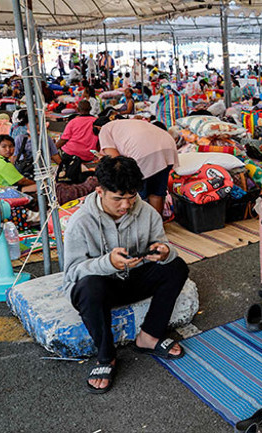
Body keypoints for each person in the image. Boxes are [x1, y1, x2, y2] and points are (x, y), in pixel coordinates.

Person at [64, 156, 189, 393]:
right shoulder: (80, 222)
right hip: (103, 289)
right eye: (118, 198)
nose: (126, 205)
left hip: (134, 278)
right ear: (100, 191)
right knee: (89, 287)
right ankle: (106, 356)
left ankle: (149, 337)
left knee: (176, 266)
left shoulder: (148, 212)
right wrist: (107, 263)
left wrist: (164, 252)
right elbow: (72, 273)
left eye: (131, 197)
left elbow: (162, 244)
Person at [94, 117, 178, 214]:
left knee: (136, 195)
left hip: (143, 154)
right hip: (168, 146)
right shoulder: (126, 122)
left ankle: (140, 225)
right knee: (157, 193)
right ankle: (157, 225)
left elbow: (116, 160)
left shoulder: (104, 129)